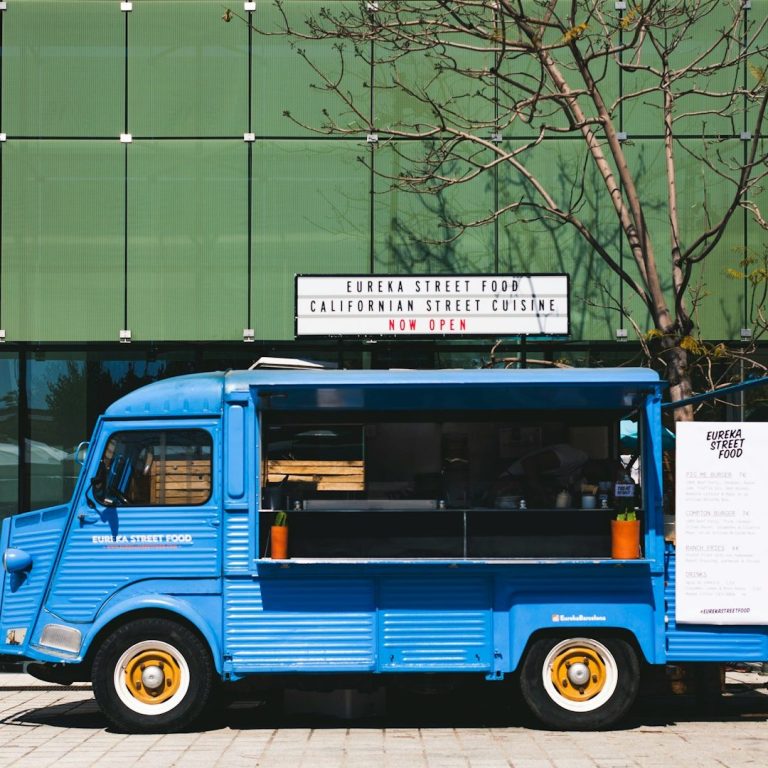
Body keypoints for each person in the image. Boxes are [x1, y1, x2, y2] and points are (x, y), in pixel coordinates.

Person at [497, 443, 588, 507]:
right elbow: (529, 463)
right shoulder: (575, 457)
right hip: (508, 482)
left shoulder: (576, 474)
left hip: (521, 492)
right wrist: (541, 492)